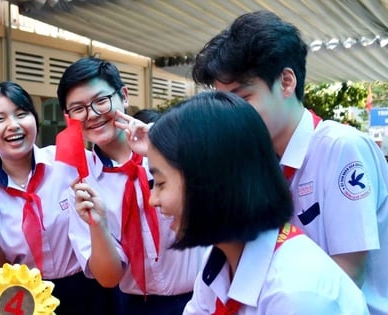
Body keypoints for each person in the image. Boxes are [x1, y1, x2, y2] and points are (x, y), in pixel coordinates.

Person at [192, 10, 387, 314]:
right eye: (225, 104)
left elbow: (347, 276)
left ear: (286, 82)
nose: (231, 116)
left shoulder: (341, 149)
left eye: (242, 99)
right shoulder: (256, 158)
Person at [144, 91, 367, 314]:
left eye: (161, 183)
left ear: (210, 180)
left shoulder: (295, 295)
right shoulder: (221, 260)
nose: (153, 200)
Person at [0, 81, 120, 314]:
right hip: (29, 302)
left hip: (89, 292)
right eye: (0, 119)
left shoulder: (69, 162)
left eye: (21, 114)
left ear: (35, 120)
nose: (13, 125)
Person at [59, 57, 205, 314]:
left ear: (124, 95)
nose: (92, 114)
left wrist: (161, 153)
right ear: (68, 117)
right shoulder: (82, 186)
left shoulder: (177, 146)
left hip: (202, 296)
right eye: (78, 109)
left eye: (100, 101)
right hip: (135, 306)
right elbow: (109, 278)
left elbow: (215, 205)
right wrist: (99, 224)